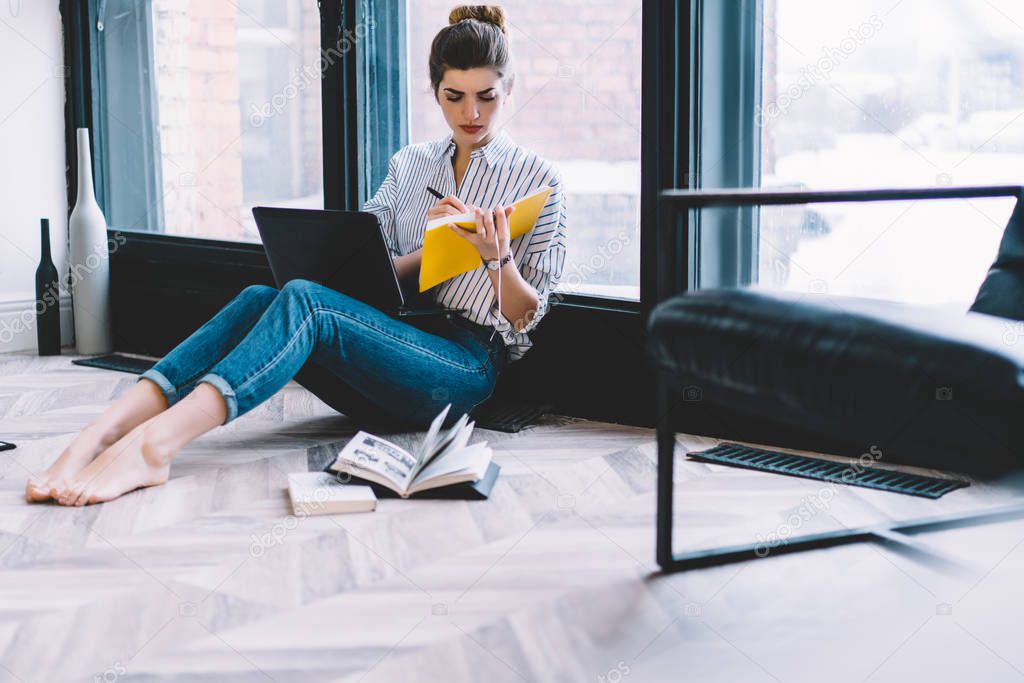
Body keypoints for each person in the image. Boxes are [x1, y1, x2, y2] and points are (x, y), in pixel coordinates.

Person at [26, 3, 567, 506]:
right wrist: (429, 251)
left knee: (306, 301)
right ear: (436, 92)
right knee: (263, 296)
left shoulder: (538, 180)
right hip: (391, 340)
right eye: (455, 97)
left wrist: (497, 259)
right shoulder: (410, 165)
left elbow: (525, 318)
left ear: (509, 88)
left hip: (464, 364)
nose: (471, 112)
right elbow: (367, 270)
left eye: (487, 96)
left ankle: (155, 448)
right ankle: (104, 430)